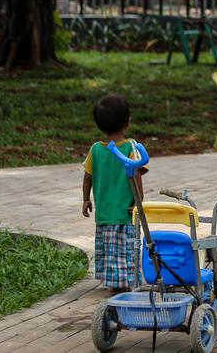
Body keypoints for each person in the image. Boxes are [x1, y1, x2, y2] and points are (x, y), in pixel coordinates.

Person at [82, 95, 147, 292]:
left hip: (104, 213)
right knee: (126, 249)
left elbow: (87, 177)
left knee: (109, 249)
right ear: (128, 122)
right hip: (125, 212)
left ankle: (113, 283)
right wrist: (138, 200)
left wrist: (86, 199)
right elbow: (137, 173)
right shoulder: (130, 147)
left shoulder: (95, 149)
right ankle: (125, 284)